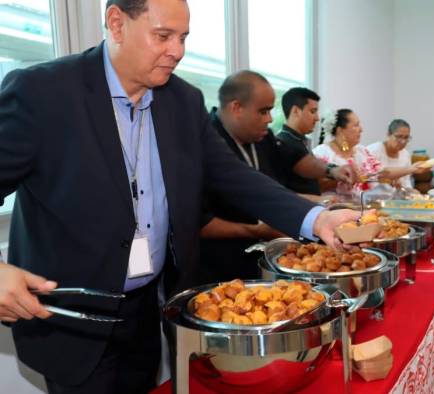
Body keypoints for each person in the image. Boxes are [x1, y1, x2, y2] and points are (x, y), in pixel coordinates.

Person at [0, 1, 357, 392]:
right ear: (117, 23)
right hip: (72, 316)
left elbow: (235, 176)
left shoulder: (182, 101)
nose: (178, 51)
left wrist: (315, 219)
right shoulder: (43, 92)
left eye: (183, 37)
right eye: (163, 36)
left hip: (146, 311)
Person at [198, 70, 291, 283]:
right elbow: (198, 223)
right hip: (219, 267)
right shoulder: (204, 142)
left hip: (267, 258)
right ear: (236, 108)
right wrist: (256, 231)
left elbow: (275, 189)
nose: (269, 119)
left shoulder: (264, 138)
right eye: (263, 111)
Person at [313, 109, 423, 196]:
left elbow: (381, 173)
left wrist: (412, 169)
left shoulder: (360, 151)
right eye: (356, 125)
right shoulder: (322, 153)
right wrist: (343, 177)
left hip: (363, 209)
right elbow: (316, 186)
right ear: (340, 130)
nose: (361, 129)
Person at [277, 87, 353, 196]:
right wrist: (333, 171)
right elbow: (285, 193)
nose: (317, 118)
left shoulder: (299, 140)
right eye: (313, 111)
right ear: (296, 111)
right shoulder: (284, 143)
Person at [367, 119, 430, 189]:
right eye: (399, 137)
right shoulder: (373, 150)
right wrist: (412, 169)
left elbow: (406, 183)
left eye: (406, 137)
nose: (403, 141)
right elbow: (378, 174)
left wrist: (414, 194)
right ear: (388, 134)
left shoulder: (405, 154)